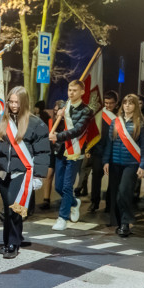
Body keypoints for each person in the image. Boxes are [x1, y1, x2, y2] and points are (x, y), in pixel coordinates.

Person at [0, 86, 50, 258]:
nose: (13, 105)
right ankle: (8, 241)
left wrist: (38, 175)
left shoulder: (36, 123)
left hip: (22, 172)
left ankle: (13, 243)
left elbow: (42, 151)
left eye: (17, 102)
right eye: (11, 101)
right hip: (3, 172)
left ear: (24, 102)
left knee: (14, 207)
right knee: (7, 208)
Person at [104, 94, 144, 237]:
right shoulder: (115, 122)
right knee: (114, 195)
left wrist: (143, 165)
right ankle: (119, 222)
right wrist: (106, 161)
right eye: (125, 103)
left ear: (136, 106)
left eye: (131, 103)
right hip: (115, 164)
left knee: (123, 192)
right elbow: (109, 143)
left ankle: (125, 223)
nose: (127, 106)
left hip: (131, 164)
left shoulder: (141, 124)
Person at [48, 80, 93, 230]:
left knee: (67, 186)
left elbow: (77, 130)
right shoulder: (63, 107)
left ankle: (62, 218)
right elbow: (57, 126)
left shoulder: (86, 111)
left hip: (76, 151)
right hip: (61, 150)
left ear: (82, 92)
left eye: (75, 90)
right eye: (69, 90)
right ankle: (74, 202)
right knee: (58, 187)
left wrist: (58, 136)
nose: (71, 93)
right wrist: (58, 116)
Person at [82, 91, 118, 213]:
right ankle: (94, 202)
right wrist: (89, 148)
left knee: (113, 179)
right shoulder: (99, 115)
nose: (108, 105)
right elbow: (92, 132)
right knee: (96, 177)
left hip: (114, 152)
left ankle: (109, 204)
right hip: (99, 151)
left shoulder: (119, 116)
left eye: (111, 103)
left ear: (116, 103)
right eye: (106, 103)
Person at [34, 100, 56, 210]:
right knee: (48, 174)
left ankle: (46, 199)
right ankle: (46, 199)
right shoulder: (46, 117)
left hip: (53, 149)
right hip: (48, 148)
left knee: (50, 176)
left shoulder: (43, 118)